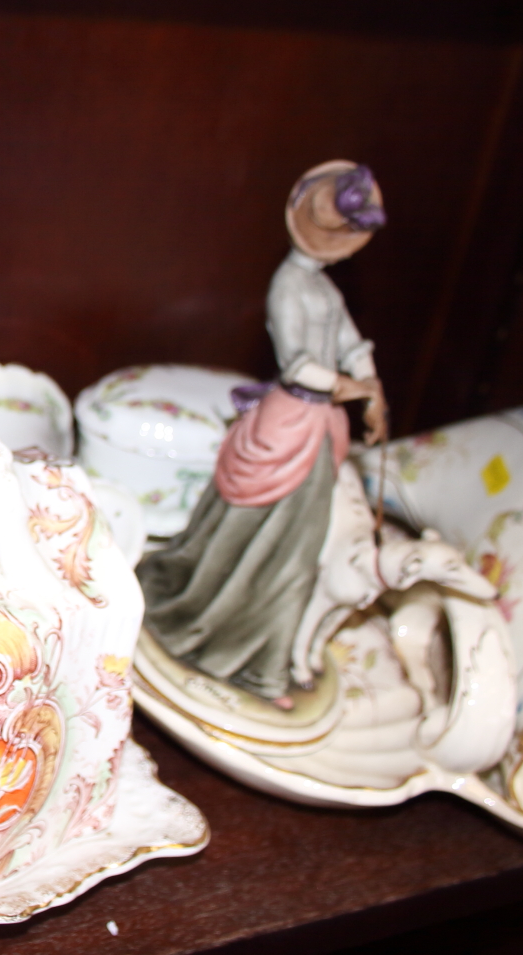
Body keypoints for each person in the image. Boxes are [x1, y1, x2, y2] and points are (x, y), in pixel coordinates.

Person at [136, 160, 388, 707]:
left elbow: (349, 340)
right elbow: (300, 365)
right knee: (263, 539)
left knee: (295, 549)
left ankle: (263, 654)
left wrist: (371, 383)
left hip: (319, 428)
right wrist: (352, 387)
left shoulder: (320, 287)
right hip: (292, 420)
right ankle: (221, 635)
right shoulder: (290, 285)